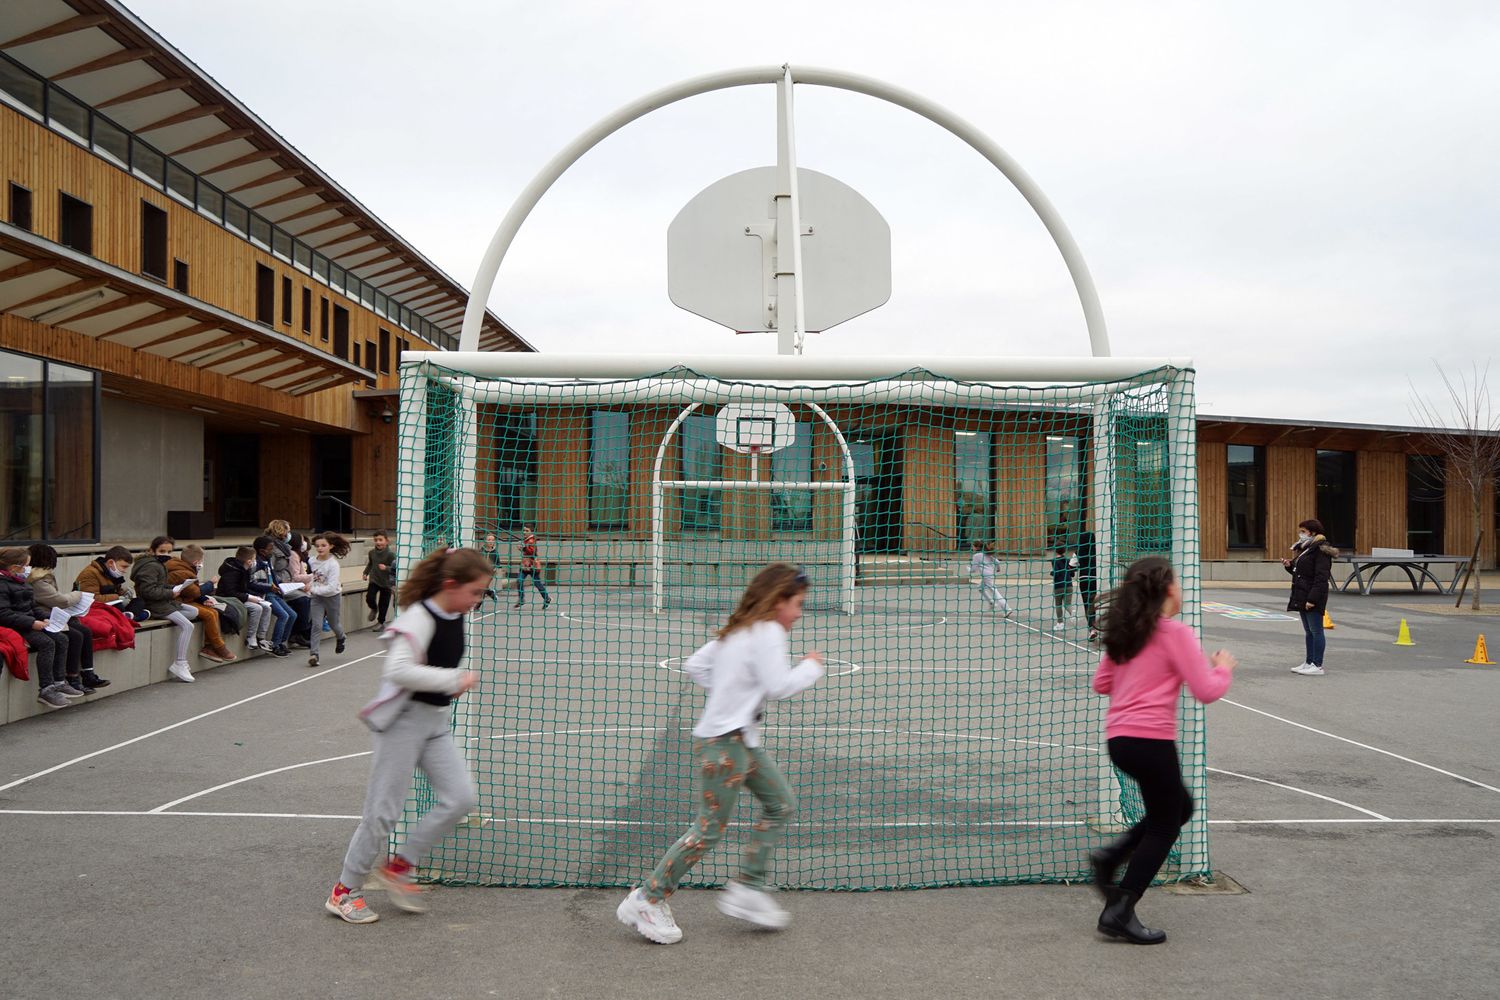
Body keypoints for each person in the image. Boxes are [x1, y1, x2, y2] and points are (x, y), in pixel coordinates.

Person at [617, 563, 824, 945]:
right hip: (725, 744)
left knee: (780, 804)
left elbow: (695, 665)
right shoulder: (768, 631)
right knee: (709, 828)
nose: (799, 613)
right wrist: (811, 668)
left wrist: (728, 693)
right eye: (797, 603)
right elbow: (778, 686)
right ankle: (647, 898)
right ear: (778, 600)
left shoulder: (738, 630)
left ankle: (748, 888)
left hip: (738, 741)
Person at [325, 547, 489, 924]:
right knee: (382, 814)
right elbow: (397, 670)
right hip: (403, 724)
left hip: (434, 723)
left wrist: (447, 685)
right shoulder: (419, 618)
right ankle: (344, 891)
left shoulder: (454, 613)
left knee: (461, 798)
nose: (478, 599)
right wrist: (453, 680)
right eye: (475, 592)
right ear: (451, 585)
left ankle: (399, 867)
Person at [1089, 556, 1236, 944]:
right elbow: (1206, 690)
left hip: (1120, 742)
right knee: (1166, 824)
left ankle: (1111, 857)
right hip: (1151, 741)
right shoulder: (1175, 633)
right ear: (1169, 589)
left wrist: (1134, 674)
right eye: (1179, 583)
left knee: (1178, 807)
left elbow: (1101, 684)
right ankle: (1120, 909)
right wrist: (1222, 667)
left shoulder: (1128, 631)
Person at [0, 546, 78, 709]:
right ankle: (46, 689)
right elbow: (4, 614)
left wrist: (45, 617)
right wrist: (32, 623)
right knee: (46, 643)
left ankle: (59, 682)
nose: (29, 568)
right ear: (14, 568)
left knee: (62, 639)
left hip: (28, 622)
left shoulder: (22, 583)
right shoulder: (3, 585)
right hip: (16, 626)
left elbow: (32, 606)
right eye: (26, 565)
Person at [26, 543, 108, 692]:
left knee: (85, 631)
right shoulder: (38, 581)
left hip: (50, 615)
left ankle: (87, 673)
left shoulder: (43, 578)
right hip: (44, 618)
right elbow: (61, 601)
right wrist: (78, 594)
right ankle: (71, 677)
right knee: (74, 636)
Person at [131, 536, 202, 683]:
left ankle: (160, 616)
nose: (166, 555)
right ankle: (180, 663)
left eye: (169, 552)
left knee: (193, 611)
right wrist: (170, 593)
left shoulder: (158, 563)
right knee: (187, 626)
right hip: (154, 604)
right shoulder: (150, 566)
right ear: (152, 550)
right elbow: (147, 591)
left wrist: (174, 588)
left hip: (163, 601)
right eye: (162, 551)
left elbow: (159, 585)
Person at [164, 544, 237, 665]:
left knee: (214, 611)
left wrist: (203, 600)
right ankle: (219, 646)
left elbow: (191, 591)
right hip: (177, 603)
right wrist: (210, 584)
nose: (201, 563)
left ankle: (209, 647)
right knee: (209, 614)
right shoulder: (181, 572)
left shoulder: (185, 568)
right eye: (201, 561)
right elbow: (194, 591)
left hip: (186, 599)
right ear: (196, 562)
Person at [1282, 518, 1338, 676]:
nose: (1300, 534)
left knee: (1316, 631)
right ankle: (1308, 662)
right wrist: (1290, 566)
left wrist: (1312, 599)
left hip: (1313, 596)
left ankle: (1317, 665)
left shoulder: (1320, 549)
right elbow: (1303, 571)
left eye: (1303, 531)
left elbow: (1321, 577)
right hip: (1302, 593)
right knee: (1309, 631)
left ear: (1313, 532)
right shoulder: (1306, 548)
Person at [266, 519, 313, 647]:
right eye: (288, 531)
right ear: (282, 531)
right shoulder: (273, 548)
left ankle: (301, 633)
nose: (289, 534)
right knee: (303, 600)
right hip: (279, 585)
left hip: (286, 582)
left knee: (314, 598)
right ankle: (298, 634)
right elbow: (270, 570)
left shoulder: (284, 547)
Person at [307, 532, 351, 668]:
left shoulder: (333, 565)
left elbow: (331, 587)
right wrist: (308, 585)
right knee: (316, 625)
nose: (320, 548)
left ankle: (341, 637)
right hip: (317, 598)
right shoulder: (311, 561)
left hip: (332, 597)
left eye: (323, 545)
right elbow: (311, 577)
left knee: (333, 623)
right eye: (317, 546)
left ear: (331, 546)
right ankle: (314, 655)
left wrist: (313, 589)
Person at [218, 546, 274, 651]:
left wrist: (254, 596)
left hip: (239, 597)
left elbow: (245, 587)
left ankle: (261, 637)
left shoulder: (244, 569)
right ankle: (250, 638)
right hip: (229, 599)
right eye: (254, 559)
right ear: (249, 561)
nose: (255, 562)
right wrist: (249, 597)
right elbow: (230, 593)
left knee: (267, 607)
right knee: (257, 608)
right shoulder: (232, 572)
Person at [73, 545, 150, 621]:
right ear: (110, 563)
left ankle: (128, 616)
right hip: (91, 608)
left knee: (139, 601)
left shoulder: (112, 572)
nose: (125, 571)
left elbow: (113, 591)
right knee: (118, 605)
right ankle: (132, 617)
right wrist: (117, 597)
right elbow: (91, 599)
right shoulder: (90, 573)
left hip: (108, 603)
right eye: (124, 567)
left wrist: (124, 593)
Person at [249, 536, 293, 657]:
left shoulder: (267, 561)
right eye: (270, 549)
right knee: (283, 615)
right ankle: (275, 645)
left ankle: (281, 642)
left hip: (274, 592)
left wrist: (279, 587)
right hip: (265, 594)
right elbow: (252, 583)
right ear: (262, 551)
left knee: (292, 615)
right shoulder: (256, 564)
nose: (272, 551)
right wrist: (269, 587)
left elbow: (272, 577)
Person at [362, 530, 397, 630]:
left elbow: (396, 569)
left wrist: (386, 568)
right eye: (376, 540)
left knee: (383, 604)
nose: (378, 542)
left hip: (387, 583)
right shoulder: (371, 553)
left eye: (380, 540)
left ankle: (381, 622)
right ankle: (374, 608)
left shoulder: (391, 555)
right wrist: (365, 573)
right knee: (369, 597)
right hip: (374, 580)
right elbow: (370, 564)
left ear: (387, 541)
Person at [969, 541, 1011, 617]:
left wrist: (969, 569)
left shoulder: (977, 556)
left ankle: (1007, 609)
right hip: (990, 574)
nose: (972, 547)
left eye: (973, 546)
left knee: (995, 592)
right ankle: (992, 603)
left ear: (977, 547)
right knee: (980, 588)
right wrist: (998, 568)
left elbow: (973, 570)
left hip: (986, 576)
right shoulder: (987, 554)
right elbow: (997, 562)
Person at [514, 527, 550, 609]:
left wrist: (523, 548)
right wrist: (522, 548)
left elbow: (532, 552)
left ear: (531, 532)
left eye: (527, 530)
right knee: (519, 580)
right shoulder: (525, 540)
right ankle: (521, 599)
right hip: (525, 565)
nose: (524, 532)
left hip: (533, 565)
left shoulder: (532, 540)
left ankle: (546, 598)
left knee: (537, 583)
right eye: (523, 530)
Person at [1075, 527, 1100, 643]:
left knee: (1088, 604)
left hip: (1084, 579)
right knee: (1098, 602)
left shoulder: (1078, 551)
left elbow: (1071, 565)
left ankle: (1092, 629)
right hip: (1096, 579)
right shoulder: (1098, 550)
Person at [1048, 526, 1075, 632]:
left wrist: (1052, 572)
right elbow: (1072, 572)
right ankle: (1072, 612)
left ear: (1056, 550)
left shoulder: (1055, 561)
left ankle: (1060, 623)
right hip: (1068, 585)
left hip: (1059, 585)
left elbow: (1057, 572)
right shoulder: (1068, 560)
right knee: (1068, 604)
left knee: (1058, 605)